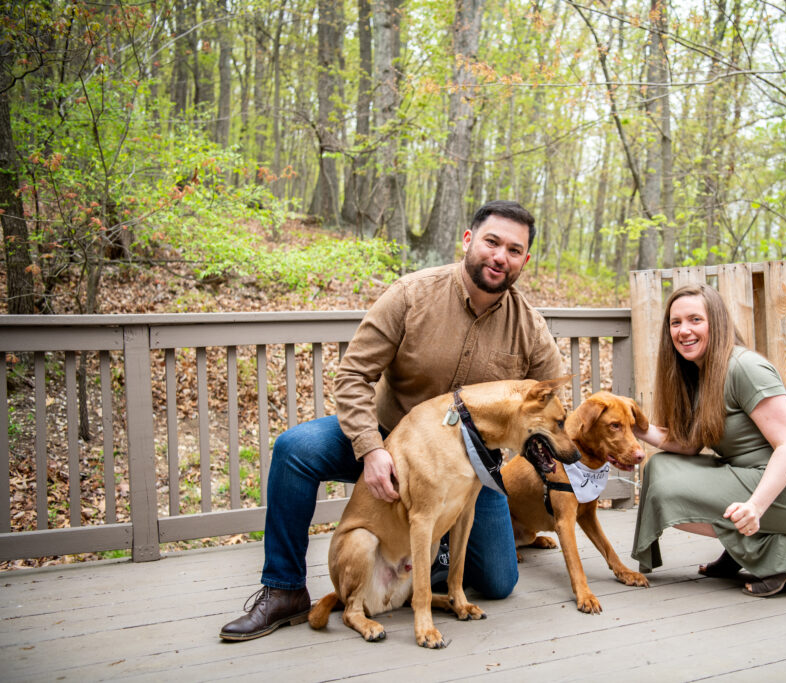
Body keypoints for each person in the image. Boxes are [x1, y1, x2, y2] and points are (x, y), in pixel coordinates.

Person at [220, 200, 565, 641]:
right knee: (295, 450)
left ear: (525, 261)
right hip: (389, 439)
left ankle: (419, 563)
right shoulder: (411, 294)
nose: (500, 257)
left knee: (500, 582)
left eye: (514, 250)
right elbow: (353, 375)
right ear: (468, 240)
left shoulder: (530, 329)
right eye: (491, 242)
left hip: (470, 465)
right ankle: (284, 589)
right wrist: (370, 450)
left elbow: (550, 406)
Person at [630, 283, 786, 597]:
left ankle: (785, 561)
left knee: (667, 494)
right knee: (660, 469)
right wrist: (636, 427)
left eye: (695, 320)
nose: (684, 331)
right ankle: (739, 550)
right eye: (675, 322)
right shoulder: (698, 373)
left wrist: (755, 507)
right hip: (748, 474)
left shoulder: (744, 368)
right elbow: (688, 444)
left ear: (717, 322)